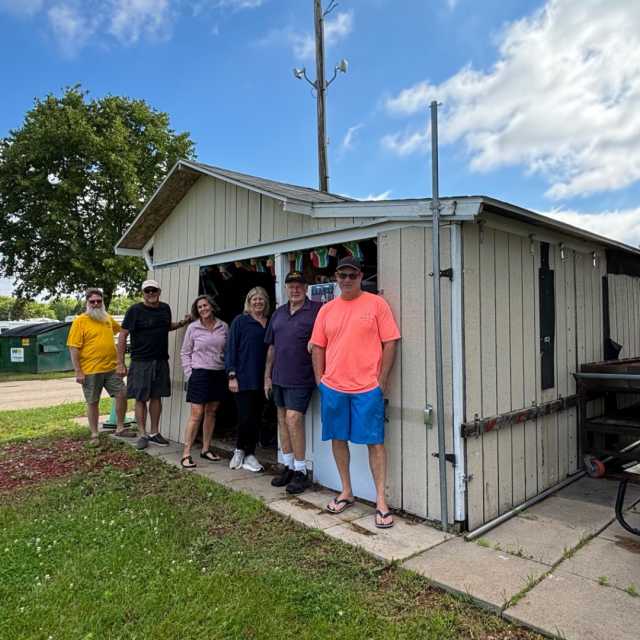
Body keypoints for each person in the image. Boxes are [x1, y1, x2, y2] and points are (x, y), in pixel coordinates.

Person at [310, 256, 401, 529]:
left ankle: (380, 502)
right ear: (336, 278)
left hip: (367, 389)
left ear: (361, 276)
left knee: (375, 442)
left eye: (352, 275)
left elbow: (391, 343)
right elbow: (317, 346)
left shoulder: (377, 304)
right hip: (334, 387)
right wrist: (320, 381)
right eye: (342, 275)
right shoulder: (326, 310)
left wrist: (381, 381)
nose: (346, 280)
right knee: (338, 438)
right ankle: (346, 491)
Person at [264, 271, 321, 494]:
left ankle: (300, 471)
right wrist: (267, 376)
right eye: (291, 286)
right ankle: (287, 466)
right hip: (279, 376)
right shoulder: (278, 313)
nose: (295, 289)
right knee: (281, 419)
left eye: (299, 285)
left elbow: (326, 336)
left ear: (306, 288)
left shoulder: (316, 310)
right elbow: (271, 347)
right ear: (286, 289)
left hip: (302, 377)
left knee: (293, 418)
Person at [116, 279, 190, 450]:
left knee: (157, 396)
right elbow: (122, 335)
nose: (151, 293)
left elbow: (165, 327)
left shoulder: (165, 308)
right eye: (147, 291)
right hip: (141, 361)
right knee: (141, 398)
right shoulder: (135, 310)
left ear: (159, 291)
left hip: (161, 360)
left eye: (153, 290)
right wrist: (120, 363)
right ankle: (142, 434)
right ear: (143, 293)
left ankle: (154, 433)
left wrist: (182, 323)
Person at [67, 288, 131, 441]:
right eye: (92, 301)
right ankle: (95, 433)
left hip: (111, 368)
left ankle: (120, 427)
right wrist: (78, 371)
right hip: (90, 370)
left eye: (98, 301)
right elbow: (73, 347)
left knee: (122, 394)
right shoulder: (80, 321)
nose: (96, 304)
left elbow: (122, 331)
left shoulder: (107, 318)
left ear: (102, 302)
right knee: (93, 401)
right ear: (87, 303)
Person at [179, 295, 228, 469]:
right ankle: (186, 453)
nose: (203, 309)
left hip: (218, 373)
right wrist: (190, 374)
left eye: (205, 305)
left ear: (212, 307)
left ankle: (206, 449)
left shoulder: (223, 326)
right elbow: (185, 352)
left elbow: (228, 350)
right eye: (199, 307)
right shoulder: (193, 328)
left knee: (211, 412)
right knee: (196, 413)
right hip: (199, 374)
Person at [225, 286, 270, 472]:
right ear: (249, 302)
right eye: (254, 299)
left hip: (264, 378)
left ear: (266, 302)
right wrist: (231, 375)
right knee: (245, 417)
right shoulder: (240, 321)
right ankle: (239, 450)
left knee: (257, 417)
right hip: (243, 377)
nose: (258, 302)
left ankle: (250, 454)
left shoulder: (270, 321)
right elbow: (230, 348)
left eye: (261, 299)